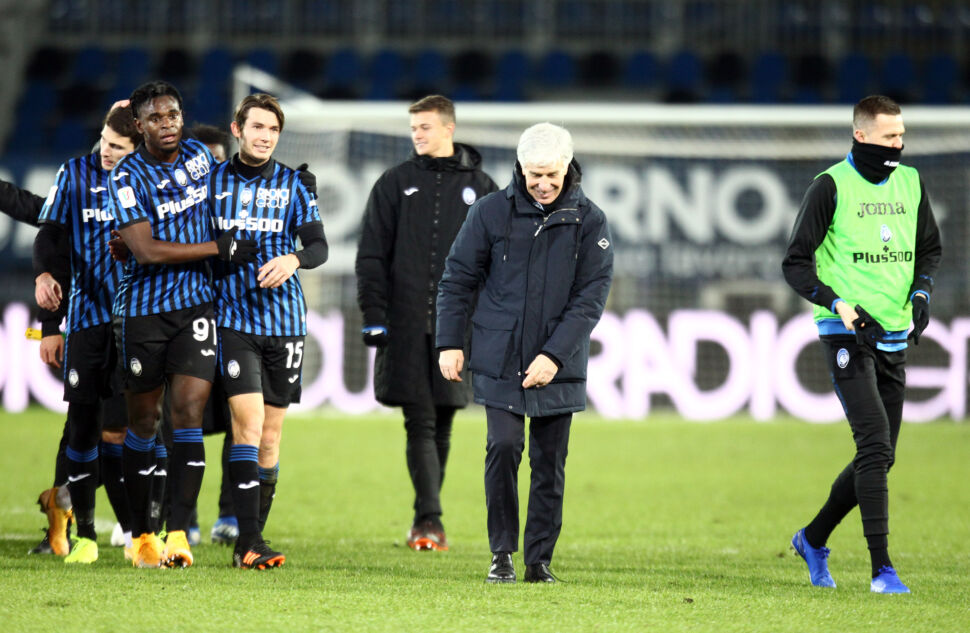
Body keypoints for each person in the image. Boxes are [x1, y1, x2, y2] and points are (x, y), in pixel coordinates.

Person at [436, 122, 613, 583]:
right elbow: (458, 279)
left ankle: (538, 561)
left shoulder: (590, 221)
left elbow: (590, 298)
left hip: (561, 364)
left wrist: (554, 356)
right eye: (534, 174)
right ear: (520, 167)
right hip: (500, 355)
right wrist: (449, 342)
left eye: (552, 174)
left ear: (568, 167)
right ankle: (502, 554)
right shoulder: (490, 213)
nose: (544, 184)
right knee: (504, 446)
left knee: (549, 463)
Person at [782, 95, 941, 594]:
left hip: (894, 333)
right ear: (861, 135)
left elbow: (930, 249)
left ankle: (812, 537)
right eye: (890, 136)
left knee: (882, 455)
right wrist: (839, 304)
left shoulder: (911, 182)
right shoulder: (830, 186)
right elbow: (796, 263)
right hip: (847, 334)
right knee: (873, 444)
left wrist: (920, 293)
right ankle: (882, 569)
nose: (898, 144)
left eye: (902, 135)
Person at [108, 80, 258, 569]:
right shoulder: (127, 176)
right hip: (144, 314)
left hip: (196, 307)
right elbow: (146, 251)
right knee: (144, 422)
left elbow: (230, 189)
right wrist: (219, 248)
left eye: (173, 114)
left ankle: (177, 533)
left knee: (188, 416)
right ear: (139, 125)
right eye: (156, 118)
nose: (167, 124)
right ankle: (140, 533)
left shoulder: (198, 154)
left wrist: (282, 183)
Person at [355, 95, 498, 551]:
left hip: (461, 328)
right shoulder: (394, 183)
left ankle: (425, 518)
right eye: (413, 127)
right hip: (405, 321)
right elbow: (372, 255)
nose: (417, 134)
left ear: (449, 129)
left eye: (425, 127)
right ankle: (429, 521)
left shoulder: (484, 186)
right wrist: (374, 314)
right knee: (419, 418)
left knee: (444, 419)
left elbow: (500, 260)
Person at [208, 93, 327, 569]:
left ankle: (252, 534)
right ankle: (248, 541)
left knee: (271, 438)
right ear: (237, 130)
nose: (264, 136)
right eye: (256, 127)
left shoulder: (295, 186)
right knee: (248, 426)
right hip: (233, 319)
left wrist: (294, 257)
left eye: (273, 130)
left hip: (285, 323)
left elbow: (318, 246)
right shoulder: (212, 182)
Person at [32, 104, 142, 563]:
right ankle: (87, 533)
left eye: (117, 146)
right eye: (103, 140)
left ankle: (138, 530)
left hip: (138, 321)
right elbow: (50, 237)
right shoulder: (76, 173)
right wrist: (44, 292)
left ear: (137, 147)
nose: (105, 151)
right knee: (81, 428)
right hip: (84, 320)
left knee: (125, 430)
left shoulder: (152, 180)